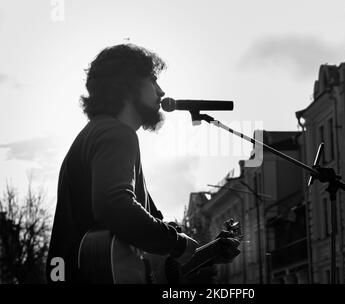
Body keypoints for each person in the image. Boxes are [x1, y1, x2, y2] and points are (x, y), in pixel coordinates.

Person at [46, 44, 238, 283]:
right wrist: (177, 243)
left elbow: (145, 260)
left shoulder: (98, 134)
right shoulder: (116, 134)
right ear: (127, 84)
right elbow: (114, 206)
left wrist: (203, 254)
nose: (161, 91)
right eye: (153, 79)